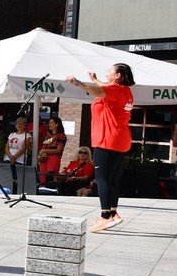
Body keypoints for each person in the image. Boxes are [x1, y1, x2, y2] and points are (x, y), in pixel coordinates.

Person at [66, 64, 135, 232]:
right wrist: (95, 79)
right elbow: (104, 88)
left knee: (101, 178)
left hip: (107, 139)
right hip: (120, 140)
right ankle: (113, 212)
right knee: (111, 180)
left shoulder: (114, 90)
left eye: (109, 71)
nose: (106, 73)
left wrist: (78, 83)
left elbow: (100, 92)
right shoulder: (125, 92)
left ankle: (105, 216)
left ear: (117, 75)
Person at [37, 117, 67, 184]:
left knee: (50, 178)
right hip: (44, 158)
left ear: (57, 124)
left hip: (54, 158)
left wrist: (45, 151)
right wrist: (43, 153)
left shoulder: (61, 136)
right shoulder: (49, 135)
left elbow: (58, 150)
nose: (49, 124)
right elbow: (45, 145)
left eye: (51, 122)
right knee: (42, 177)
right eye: (49, 122)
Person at [4, 117, 31, 190]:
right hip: (9, 158)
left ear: (25, 125)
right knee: (8, 176)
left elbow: (23, 148)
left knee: (17, 177)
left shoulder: (27, 135)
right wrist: (10, 156)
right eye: (18, 124)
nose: (19, 125)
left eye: (21, 124)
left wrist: (14, 157)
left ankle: (16, 191)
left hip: (19, 160)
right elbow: (7, 147)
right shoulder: (11, 135)